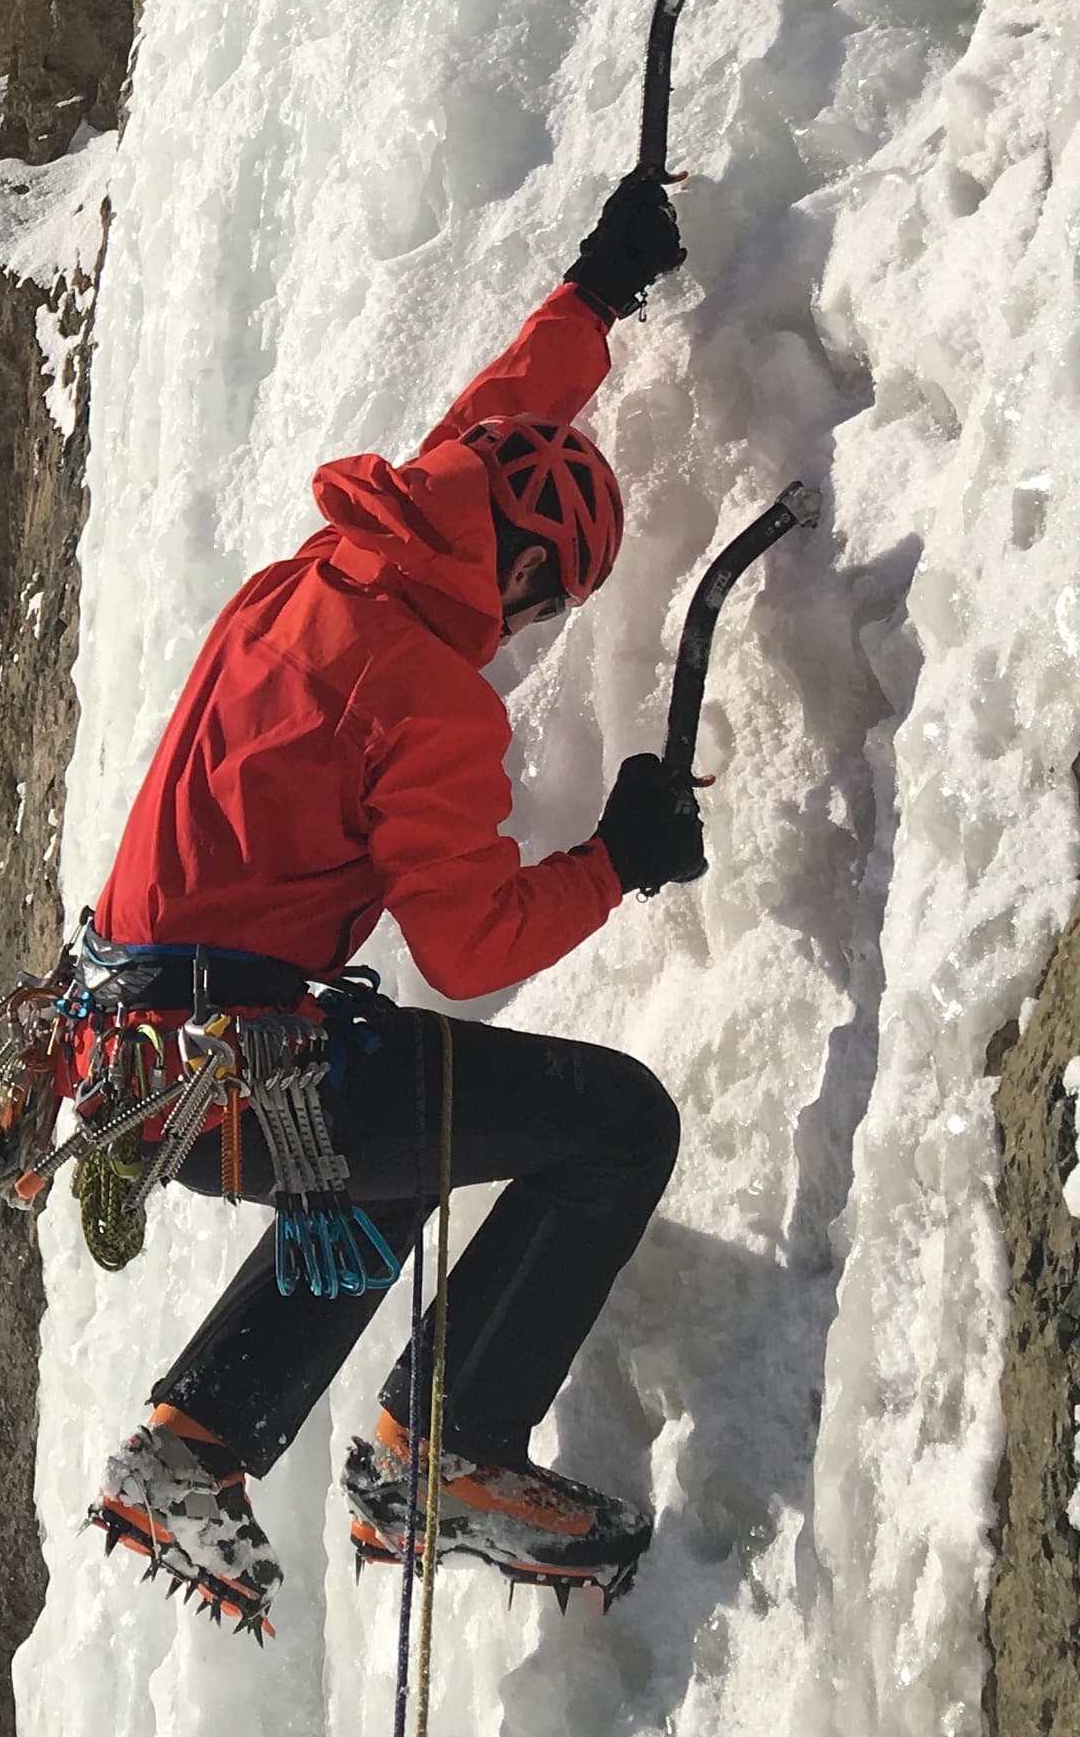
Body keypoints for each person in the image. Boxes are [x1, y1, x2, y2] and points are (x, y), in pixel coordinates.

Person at [79, 166, 708, 1634]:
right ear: (535, 576)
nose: (534, 636)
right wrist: (616, 859)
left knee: (396, 1142)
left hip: (132, 1057)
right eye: (549, 604)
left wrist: (593, 299)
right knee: (618, 1129)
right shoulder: (422, 698)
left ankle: (199, 1447)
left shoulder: (331, 569)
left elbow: (478, 432)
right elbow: (469, 946)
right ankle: (454, 1453)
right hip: (234, 1071)